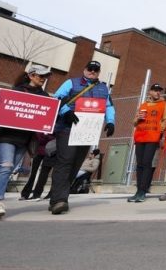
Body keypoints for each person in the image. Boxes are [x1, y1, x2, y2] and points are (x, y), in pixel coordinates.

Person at [0, 65, 52, 221]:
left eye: (45, 76)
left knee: (9, 168)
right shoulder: (15, 92)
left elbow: (45, 117)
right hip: (6, 136)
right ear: (31, 75)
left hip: (24, 140)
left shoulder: (45, 97)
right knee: (5, 166)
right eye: (40, 75)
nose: (43, 78)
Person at [48, 60, 115, 215]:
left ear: (99, 72)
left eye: (96, 70)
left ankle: (57, 196)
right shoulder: (71, 83)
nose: (92, 72)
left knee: (76, 164)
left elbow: (108, 105)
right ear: (84, 69)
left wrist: (111, 122)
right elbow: (57, 98)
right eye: (90, 68)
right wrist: (66, 112)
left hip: (87, 131)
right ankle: (59, 200)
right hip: (67, 128)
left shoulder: (103, 88)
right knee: (65, 161)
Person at [128, 83, 166, 202]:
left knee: (147, 163)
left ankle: (143, 191)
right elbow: (134, 122)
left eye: (159, 91)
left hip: (152, 138)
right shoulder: (143, 105)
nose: (158, 92)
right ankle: (138, 191)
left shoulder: (164, 105)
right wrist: (138, 119)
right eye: (155, 90)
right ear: (150, 92)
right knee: (140, 164)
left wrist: (159, 132)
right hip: (140, 137)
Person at [20, 132, 55, 200]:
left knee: (44, 174)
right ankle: (26, 194)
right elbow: (37, 137)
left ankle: (37, 194)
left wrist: (46, 137)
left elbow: (54, 138)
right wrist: (45, 136)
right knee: (33, 173)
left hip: (49, 152)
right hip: (39, 152)